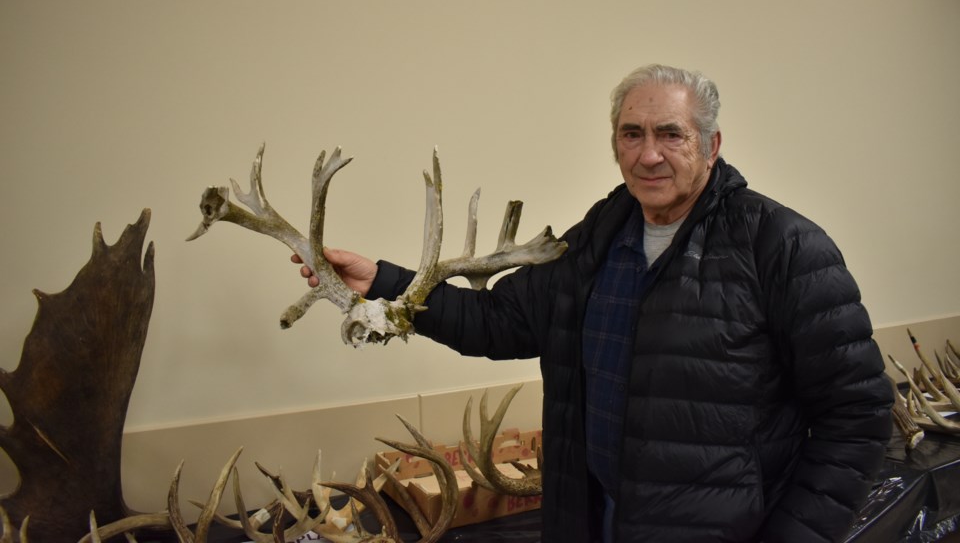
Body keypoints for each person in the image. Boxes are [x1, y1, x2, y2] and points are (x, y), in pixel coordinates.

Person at [295, 64, 893, 542]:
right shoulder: (598, 238)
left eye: (670, 135)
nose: (648, 154)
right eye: (632, 135)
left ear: (711, 145)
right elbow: (499, 323)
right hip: (593, 516)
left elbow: (857, 415)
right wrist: (385, 281)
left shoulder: (783, 247)